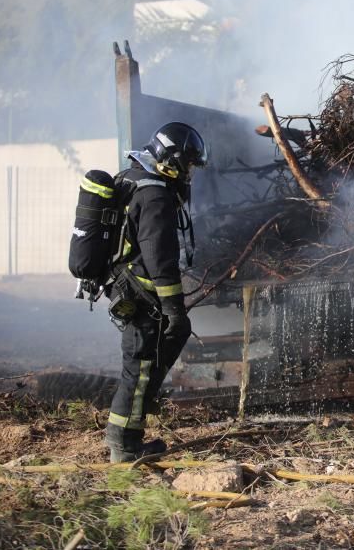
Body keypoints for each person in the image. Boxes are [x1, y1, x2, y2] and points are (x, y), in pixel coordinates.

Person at [104, 122, 208, 462]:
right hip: (140, 293)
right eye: (189, 163)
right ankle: (123, 447)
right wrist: (174, 310)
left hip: (127, 285)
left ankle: (129, 438)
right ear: (173, 159)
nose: (190, 171)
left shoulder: (133, 178)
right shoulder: (155, 196)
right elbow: (160, 260)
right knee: (140, 367)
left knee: (142, 365)